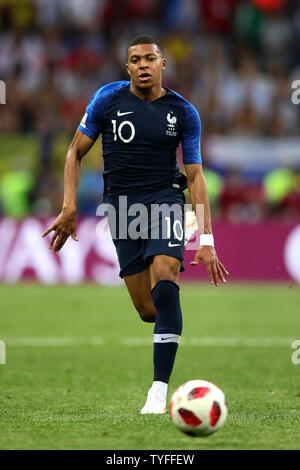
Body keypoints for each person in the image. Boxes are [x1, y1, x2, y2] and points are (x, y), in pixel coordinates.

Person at [42, 35, 229, 414]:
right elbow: (74, 152)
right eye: (134, 60)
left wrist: (206, 238)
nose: (142, 65)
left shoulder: (184, 112)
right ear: (126, 67)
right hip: (122, 210)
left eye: (149, 59)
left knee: (166, 277)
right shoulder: (108, 99)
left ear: (163, 64)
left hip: (166, 202)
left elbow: (195, 175)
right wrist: (69, 206)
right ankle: (170, 317)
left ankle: (158, 393)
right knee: (148, 309)